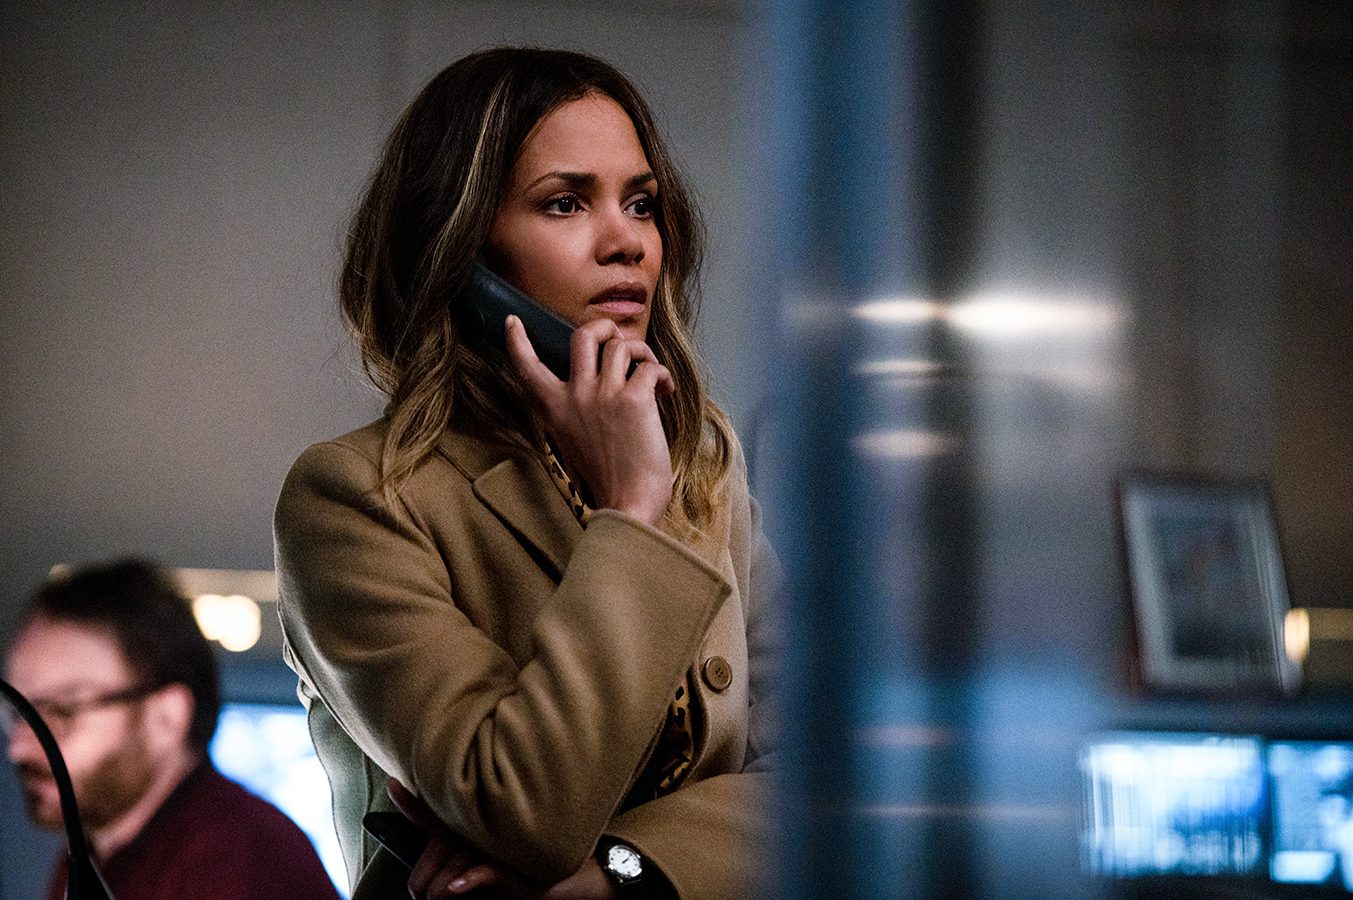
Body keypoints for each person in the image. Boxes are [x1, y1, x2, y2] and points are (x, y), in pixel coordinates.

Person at [273, 47, 781, 900]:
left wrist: (620, 871)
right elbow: (526, 809)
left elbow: (828, 770)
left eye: (641, 204)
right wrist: (631, 509)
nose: (625, 242)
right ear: (461, 252)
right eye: (564, 203)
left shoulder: (700, 464)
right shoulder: (356, 498)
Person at [3, 559, 340, 900]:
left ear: (165, 718)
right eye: (18, 714)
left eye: (62, 710)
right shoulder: (91, 857)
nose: (18, 747)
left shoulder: (241, 863)